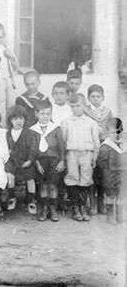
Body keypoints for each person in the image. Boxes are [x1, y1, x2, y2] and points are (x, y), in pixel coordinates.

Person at [61, 93, 100, 221]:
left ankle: (83, 207)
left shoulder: (91, 122)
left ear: (84, 106)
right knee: (72, 177)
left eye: (78, 106)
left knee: (86, 177)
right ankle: (75, 207)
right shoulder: (66, 122)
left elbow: (96, 142)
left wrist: (94, 157)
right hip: (71, 152)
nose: (75, 109)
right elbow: (64, 139)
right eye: (73, 106)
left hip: (87, 153)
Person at [30, 101, 65, 222]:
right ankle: (44, 208)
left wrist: (62, 161)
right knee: (43, 185)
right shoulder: (33, 130)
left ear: (51, 114)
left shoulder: (55, 129)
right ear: (36, 114)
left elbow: (61, 146)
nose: (45, 116)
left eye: (48, 113)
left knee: (53, 185)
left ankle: (53, 208)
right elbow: (32, 149)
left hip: (54, 161)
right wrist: (37, 163)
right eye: (42, 113)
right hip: (40, 162)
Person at [84, 84, 113, 215]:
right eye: (93, 96)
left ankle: (101, 202)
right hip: (90, 147)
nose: (95, 99)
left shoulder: (107, 112)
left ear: (103, 97)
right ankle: (93, 203)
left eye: (98, 96)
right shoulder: (85, 111)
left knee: (102, 175)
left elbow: (111, 128)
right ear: (88, 98)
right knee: (91, 175)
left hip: (104, 147)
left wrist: (105, 133)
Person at [5, 105, 39, 214]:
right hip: (13, 161)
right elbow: (5, 148)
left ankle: (31, 200)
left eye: (21, 118)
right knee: (10, 175)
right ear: (10, 120)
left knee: (30, 178)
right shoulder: (8, 133)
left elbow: (33, 149)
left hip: (26, 161)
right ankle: (11, 198)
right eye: (15, 119)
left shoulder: (28, 133)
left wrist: (29, 160)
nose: (18, 121)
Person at [97, 118, 127, 225]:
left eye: (118, 131)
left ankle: (120, 215)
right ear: (108, 133)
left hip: (123, 173)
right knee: (110, 195)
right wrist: (107, 174)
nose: (116, 134)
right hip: (110, 175)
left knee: (122, 194)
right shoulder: (106, 146)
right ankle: (110, 216)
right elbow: (101, 163)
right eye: (113, 132)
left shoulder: (124, 144)